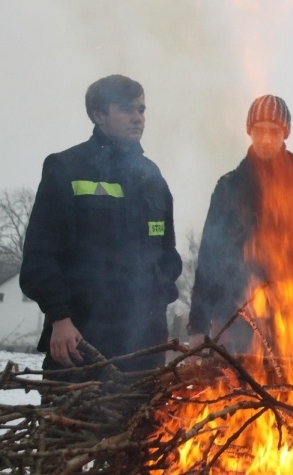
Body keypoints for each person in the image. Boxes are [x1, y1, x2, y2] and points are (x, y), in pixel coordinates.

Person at [19, 74, 182, 375]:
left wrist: (157, 301)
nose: (137, 118)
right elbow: (40, 258)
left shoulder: (152, 177)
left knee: (146, 423)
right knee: (74, 422)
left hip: (145, 344)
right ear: (99, 115)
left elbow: (167, 254)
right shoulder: (66, 168)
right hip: (80, 343)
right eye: (127, 109)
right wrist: (60, 319)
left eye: (142, 110)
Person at [187, 95, 293, 360]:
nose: (266, 139)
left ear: (285, 133)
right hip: (236, 321)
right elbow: (209, 259)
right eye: (259, 130)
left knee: (292, 396)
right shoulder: (228, 188)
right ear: (249, 131)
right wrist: (198, 324)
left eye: (274, 131)